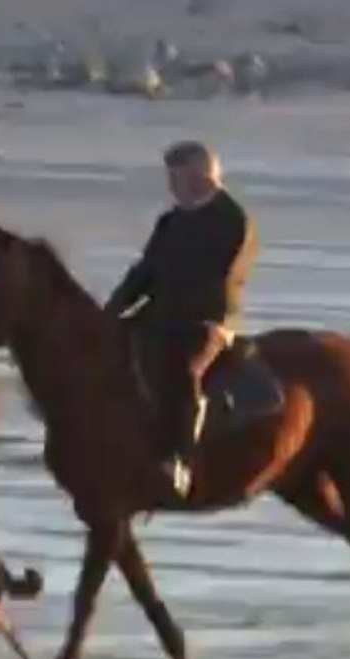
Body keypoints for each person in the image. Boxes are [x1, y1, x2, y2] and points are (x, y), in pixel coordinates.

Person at [103, 140, 258, 499]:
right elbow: (145, 272)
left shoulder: (234, 221)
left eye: (178, 177)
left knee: (186, 371)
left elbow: (222, 278)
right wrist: (111, 313)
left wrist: (179, 315)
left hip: (208, 321)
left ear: (202, 176)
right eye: (171, 178)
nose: (172, 186)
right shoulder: (171, 221)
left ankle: (180, 460)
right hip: (162, 316)